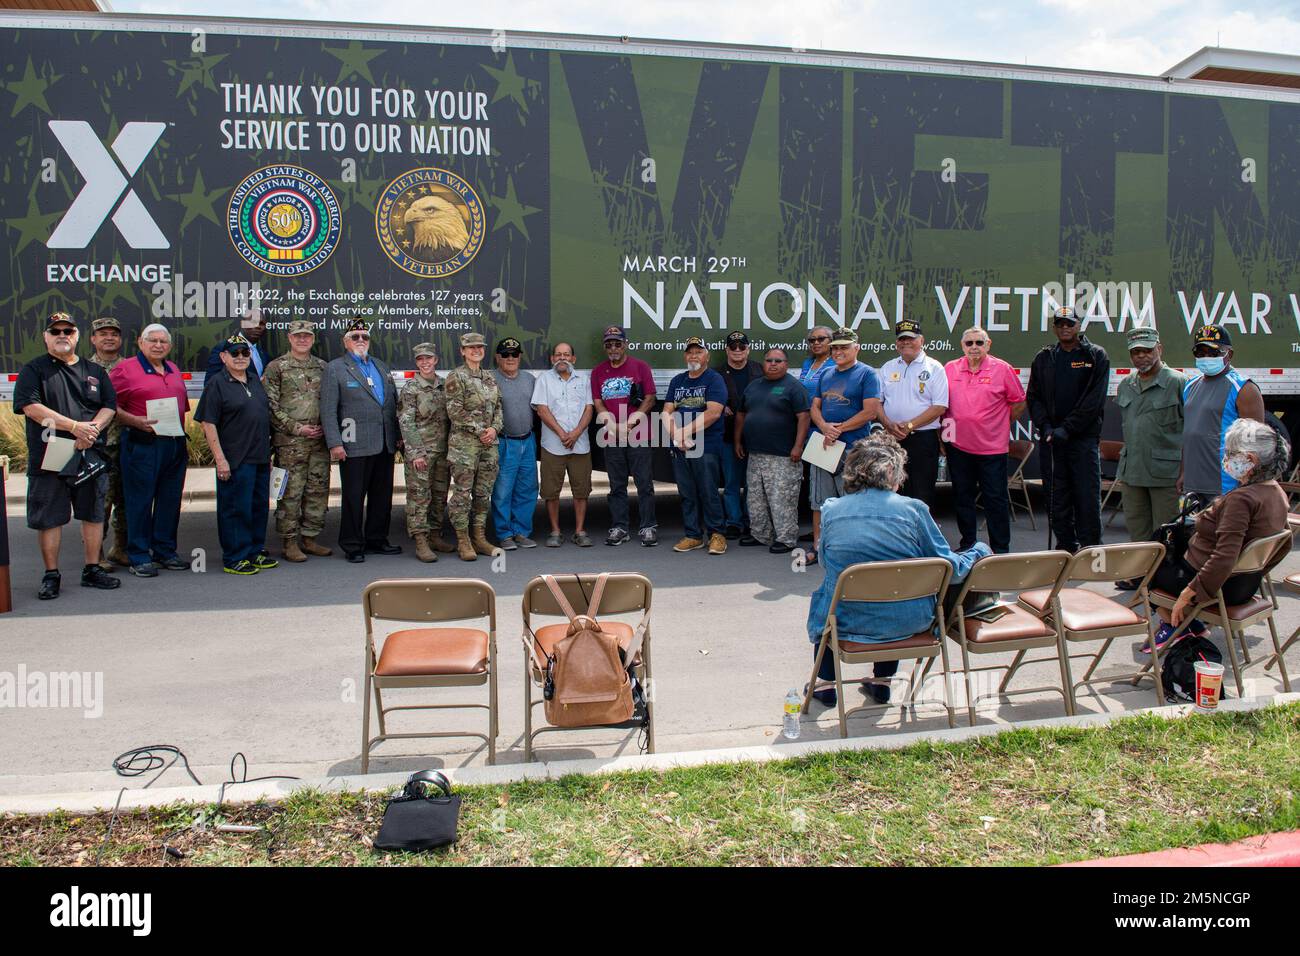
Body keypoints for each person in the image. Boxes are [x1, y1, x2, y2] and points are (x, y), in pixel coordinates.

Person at [805, 434, 989, 706]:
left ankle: (825, 683)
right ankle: (882, 681)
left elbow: (825, 563)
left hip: (845, 620)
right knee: (892, 588)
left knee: (831, 594)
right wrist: (979, 551)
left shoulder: (832, 510)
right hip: (909, 619)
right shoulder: (914, 511)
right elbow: (950, 568)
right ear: (891, 471)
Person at [1146, 418, 1289, 653]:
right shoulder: (1276, 492)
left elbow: (1225, 556)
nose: (1226, 459)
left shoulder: (1242, 500)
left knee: (1145, 570)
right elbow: (1283, 543)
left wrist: (1191, 592)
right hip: (1246, 584)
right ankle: (1183, 624)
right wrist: (1256, 569)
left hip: (1218, 585)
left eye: (1231, 453)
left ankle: (1182, 624)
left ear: (1250, 460)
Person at [13, 312, 121, 598]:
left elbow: (109, 405)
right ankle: (51, 575)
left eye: (68, 331)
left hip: (90, 453)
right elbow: (30, 407)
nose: (62, 335)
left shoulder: (94, 371)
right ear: (46, 337)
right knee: (50, 518)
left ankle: (92, 569)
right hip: (52, 454)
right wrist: (75, 427)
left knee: (94, 514)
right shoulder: (33, 370)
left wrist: (92, 430)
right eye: (56, 331)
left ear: (77, 336)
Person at [109, 322, 192, 577]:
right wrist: (134, 420)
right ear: (141, 343)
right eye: (152, 340)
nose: (158, 345)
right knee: (140, 501)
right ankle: (139, 555)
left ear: (169, 345)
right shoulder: (125, 369)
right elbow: (107, 404)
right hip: (142, 443)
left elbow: (183, 407)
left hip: (174, 443)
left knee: (169, 500)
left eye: (163, 341)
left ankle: (165, 551)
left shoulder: (173, 368)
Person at [1026, 305, 1110, 553]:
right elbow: (1034, 397)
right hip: (1052, 440)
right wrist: (1047, 426)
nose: (1065, 328)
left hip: (1082, 440)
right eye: (1060, 323)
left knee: (1086, 497)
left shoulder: (1095, 355)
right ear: (1054, 327)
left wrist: (1068, 429)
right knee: (1056, 498)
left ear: (1079, 326)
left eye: (1069, 323)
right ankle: (1065, 548)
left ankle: (1091, 551)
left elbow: (1093, 401)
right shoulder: (1044, 357)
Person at [320, 318, 401, 564]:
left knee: (382, 496)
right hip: (353, 444)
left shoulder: (381, 366)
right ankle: (353, 544)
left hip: (384, 442)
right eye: (355, 337)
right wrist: (335, 443)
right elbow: (327, 409)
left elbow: (393, 403)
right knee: (354, 497)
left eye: (364, 336)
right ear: (346, 342)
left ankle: (377, 540)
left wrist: (397, 436)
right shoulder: (336, 368)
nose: (361, 341)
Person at [943, 327, 1027, 554]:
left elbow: (1019, 402)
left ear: (988, 345)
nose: (974, 347)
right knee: (962, 498)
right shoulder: (950, 368)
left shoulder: (1002, 369)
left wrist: (998, 423)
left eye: (979, 343)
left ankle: (1000, 551)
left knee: (995, 500)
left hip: (992, 449)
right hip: (958, 447)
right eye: (969, 343)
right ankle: (967, 545)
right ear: (962, 346)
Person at [196, 334, 275, 575]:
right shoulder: (217, 384)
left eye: (245, 353)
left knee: (258, 507)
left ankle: (254, 550)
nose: (240, 357)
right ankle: (235, 556)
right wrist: (220, 459)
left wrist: (268, 456)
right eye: (235, 353)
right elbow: (208, 423)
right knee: (235, 508)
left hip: (259, 457)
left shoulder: (253, 380)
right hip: (234, 459)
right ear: (223, 357)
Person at [1115, 326, 1185, 576]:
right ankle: (1139, 577)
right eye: (1136, 352)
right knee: (1137, 529)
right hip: (1133, 470)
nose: (1141, 356)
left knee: (1167, 531)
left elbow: (1190, 431)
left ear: (1159, 349)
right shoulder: (1126, 385)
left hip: (1165, 472)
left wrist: (1184, 471)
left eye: (1146, 350)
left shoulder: (1177, 382)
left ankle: (1165, 579)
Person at [808, 327, 881, 564]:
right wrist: (824, 428)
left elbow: (870, 412)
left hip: (853, 448)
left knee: (852, 500)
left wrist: (838, 429)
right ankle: (819, 548)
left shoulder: (867, 374)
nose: (838, 351)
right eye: (835, 347)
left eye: (844, 347)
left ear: (856, 348)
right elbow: (815, 407)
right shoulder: (826, 374)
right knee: (819, 501)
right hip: (824, 445)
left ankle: (853, 551)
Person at [262, 319, 332, 563]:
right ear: (289, 338)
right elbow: (269, 405)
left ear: (312, 339)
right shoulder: (277, 367)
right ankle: (289, 541)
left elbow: (331, 402)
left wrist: (326, 427)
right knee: (291, 493)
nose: (302, 339)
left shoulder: (323, 367)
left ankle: (310, 537)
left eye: (307, 336)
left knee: (317, 490)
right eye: (298, 336)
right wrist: (296, 428)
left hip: (318, 441)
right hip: (291, 442)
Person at [735, 348, 810, 553]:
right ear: (763, 363)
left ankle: (786, 538)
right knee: (756, 498)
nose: (773, 364)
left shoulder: (794, 387)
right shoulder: (754, 386)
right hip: (755, 454)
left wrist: (798, 446)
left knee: (781, 499)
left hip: (783, 456)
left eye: (778, 360)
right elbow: (741, 414)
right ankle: (761, 535)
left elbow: (804, 417)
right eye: (769, 360)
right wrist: (737, 441)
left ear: (786, 364)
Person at [1180, 324, 1267, 503]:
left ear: (1229, 354)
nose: (1206, 358)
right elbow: (1188, 435)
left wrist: (1246, 484)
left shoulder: (1243, 389)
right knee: (1194, 531)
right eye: (1200, 353)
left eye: (1213, 353)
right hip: (1193, 482)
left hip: (1226, 485)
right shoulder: (1190, 386)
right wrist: (1183, 473)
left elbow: (1255, 444)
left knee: (1224, 531)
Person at [591, 325, 659, 546]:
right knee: (617, 484)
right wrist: (610, 423)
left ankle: (648, 526)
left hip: (638, 432)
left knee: (644, 483)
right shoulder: (598, 372)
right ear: (604, 347)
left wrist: (632, 420)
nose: (613, 348)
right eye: (609, 344)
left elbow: (650, 397)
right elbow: (598, 402)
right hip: (611, 434)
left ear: (625, 344)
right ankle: (620, 527)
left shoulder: (640, 367)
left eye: (617, 343)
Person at [662, 336, 728, 554]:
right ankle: (693, 535)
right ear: (685, 356)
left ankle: (717, 535)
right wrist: (676, 436)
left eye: (698, 352)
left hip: (705, 445)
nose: (694, 356)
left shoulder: (714, 379)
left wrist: (684, 432)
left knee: (708, 491)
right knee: (687, 492)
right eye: (690, 352)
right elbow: (666, 411)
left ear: (707, 355)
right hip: (680, 444)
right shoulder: (677, 381)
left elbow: (713, 413)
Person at [876, 319, 948, 507]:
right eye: (902, 339)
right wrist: (887, 424)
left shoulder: (934, 368)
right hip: (891, 438)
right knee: (891, 488)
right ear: (896, 343)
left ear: (922, 340)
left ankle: (918, 534)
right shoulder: (888, 367)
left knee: (921, 491)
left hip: (922, 439)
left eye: (911, 338)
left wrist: (909, 426)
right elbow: (877, 402)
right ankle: (896, 533)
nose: (906, 342)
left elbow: (939, 406)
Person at [445, 331, 503, 562]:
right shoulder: (455, 377)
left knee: (483, 493)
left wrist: (494, 429)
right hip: (464, 447)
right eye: (471, 348)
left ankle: (479, 538)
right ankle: (463, 541)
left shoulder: (489, 377)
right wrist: (481, 431)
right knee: (462, 494)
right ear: (462, 351)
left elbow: (499, 407)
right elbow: (455, 411)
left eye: (480, 347)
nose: (476, 350)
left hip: (489, 445)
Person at [531, 341, 594, 547]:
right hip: (552, 445)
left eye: (566, 354)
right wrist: (561, 433)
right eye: (558, 354)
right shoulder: (544, 380)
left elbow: (589, 409)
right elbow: (542, 409)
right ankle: (555, 531)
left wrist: (575, 434)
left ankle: (580, 530)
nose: (562, 358)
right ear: (552, 359)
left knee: (581, 490)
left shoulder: (583, 379)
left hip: (580, 444)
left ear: (573, 359)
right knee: (551, 491)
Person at [398, 342, 453, 563]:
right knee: (419, 497)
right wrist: (416, 453)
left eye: (428, 358)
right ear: (416, 362)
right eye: (421, 359)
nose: (425, 363)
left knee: (439, 495)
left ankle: (435, 535)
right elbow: (406, 422)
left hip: (442, 451)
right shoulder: (411, 388)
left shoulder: (444, 386)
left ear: (436, 360)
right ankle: (420, 540)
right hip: (421, 453)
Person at [490, 336, 538, 550]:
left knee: (527, 489)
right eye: (505, 355)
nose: (511, 358)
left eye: (515, 354)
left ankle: (521, 532)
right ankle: (504, 534)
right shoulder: (490, 380)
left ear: (520, 357)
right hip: (504, 442)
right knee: (502, 490)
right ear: (498, 357)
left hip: (527, 441)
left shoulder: (529, 379)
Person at [86, 315, 127, 568]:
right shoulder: (84, 369)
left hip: (129, 443)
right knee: (101, 501)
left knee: (126, 500)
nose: (109, 337)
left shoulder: (130, 366)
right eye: (103, 334)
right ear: (93, 339)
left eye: (113, 333)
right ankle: (96, 554)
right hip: (100, 446)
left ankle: (120, 548)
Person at [719, 330, 762, 538]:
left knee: (753, 483)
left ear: (748, 349)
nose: (737, 350)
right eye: (733, 347)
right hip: (728, 436)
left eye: (741, 347)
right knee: (732, 482)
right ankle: (734, 522)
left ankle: (752, 521)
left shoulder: (760, 370)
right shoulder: (716, 373)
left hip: (755, 435)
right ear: (727, 350)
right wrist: (719, 407)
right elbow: (707, 397)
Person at [205, 310, 270, 379]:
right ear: (242, 324)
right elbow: (211, 383)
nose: (258, 326)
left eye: (262, 324)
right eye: (253, 322)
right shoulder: (223, 347)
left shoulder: (264, 355)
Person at [798, 326, 834, 397]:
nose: (816, 342)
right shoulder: (807, 363)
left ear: (831, 341)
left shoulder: (836, 364)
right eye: (812, 340)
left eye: (821, 339)